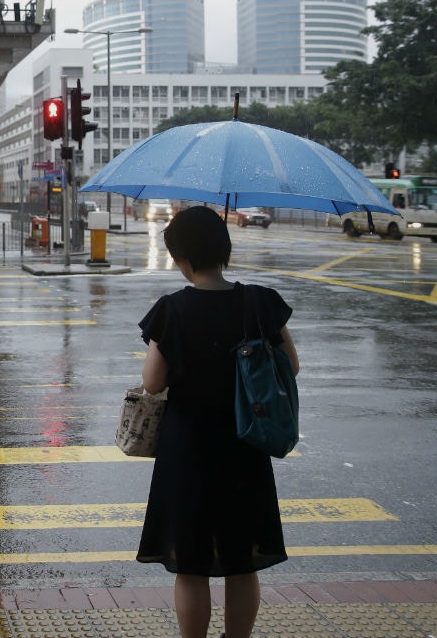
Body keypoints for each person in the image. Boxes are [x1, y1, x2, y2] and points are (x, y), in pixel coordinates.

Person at [135, 206, 299, 638]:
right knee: (241, 562)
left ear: (182, 258)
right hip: (246, 446)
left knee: (191, 566)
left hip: (187, 451)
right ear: (223, 250)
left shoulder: (171, 310)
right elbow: (290, 368)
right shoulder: (260, 303)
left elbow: (152, 384)